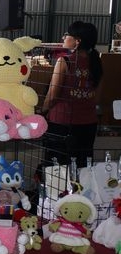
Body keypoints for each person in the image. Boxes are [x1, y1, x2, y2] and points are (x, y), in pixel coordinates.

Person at [41, 20, 103, 168]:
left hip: (62, 123)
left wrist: (42, 111)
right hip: (88, 124)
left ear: (77, 41)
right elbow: (97, 97)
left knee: (58, 167)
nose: (63, 38)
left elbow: (53, 95)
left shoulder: (64, 61)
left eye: (67, 35)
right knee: (83, 166)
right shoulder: (97, 63)